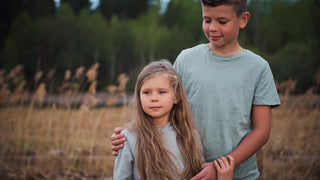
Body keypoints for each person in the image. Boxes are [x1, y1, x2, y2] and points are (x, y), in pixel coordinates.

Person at [112, 0, 280, 179]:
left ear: (243, 19)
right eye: (207, 20)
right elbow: (163, 103)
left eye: (222, 22)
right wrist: (131, 138)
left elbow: (261, 132)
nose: (213, 28)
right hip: (189, 172)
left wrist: (219, 166)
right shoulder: (186, 60)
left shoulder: (258, 67)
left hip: (239, 174)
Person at [114, 60, 235, 180]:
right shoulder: (128, 138)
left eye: (162, 92)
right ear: (139, 96)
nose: (154, 98)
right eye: (147, 92)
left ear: (176, 97)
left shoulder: (191, 136)